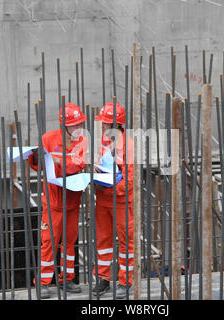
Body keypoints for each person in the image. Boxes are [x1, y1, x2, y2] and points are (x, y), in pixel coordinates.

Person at [28, 102, 88, 298]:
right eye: (75, 124)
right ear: (65, 125)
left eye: (80, 124)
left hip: (72, 200)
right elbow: (38, 166)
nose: (78, 128)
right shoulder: (48, 139)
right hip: (54, 201)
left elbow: (77, 165)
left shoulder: (82, 140)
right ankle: (43, 282)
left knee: (69, 241)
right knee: (49, 241)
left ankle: (67, 279)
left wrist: (59, 162)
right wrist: (36, 157)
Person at [92, 101, 134, 299]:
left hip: (121, 202)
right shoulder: (102, 141)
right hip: (102, 201)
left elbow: (130, 180)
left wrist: (108, 186)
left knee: (126, 243)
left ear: (113, 125)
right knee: (103, 241)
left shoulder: (128, 145)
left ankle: (125, 281)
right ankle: (103, 278)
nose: (101, 125)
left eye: (104, 122)